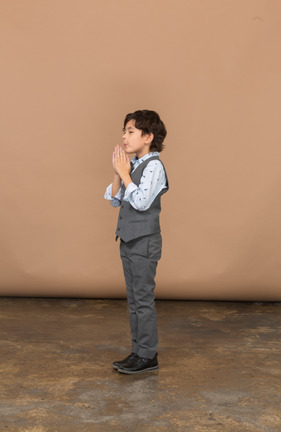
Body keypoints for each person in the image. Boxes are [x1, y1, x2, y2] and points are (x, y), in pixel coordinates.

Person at [104, 109, 169, 374]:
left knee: (143, 299)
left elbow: (142, 202)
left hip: (144, 242)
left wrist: (126, 173)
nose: (125, 136)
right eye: (125, 131)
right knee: (133, 300)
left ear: (148, 136)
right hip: (129, 241)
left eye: (130, 131)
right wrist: (119, 172)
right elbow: (113, 199)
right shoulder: (133, 165)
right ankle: (137, 352)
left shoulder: (154, 166)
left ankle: (148, 355)